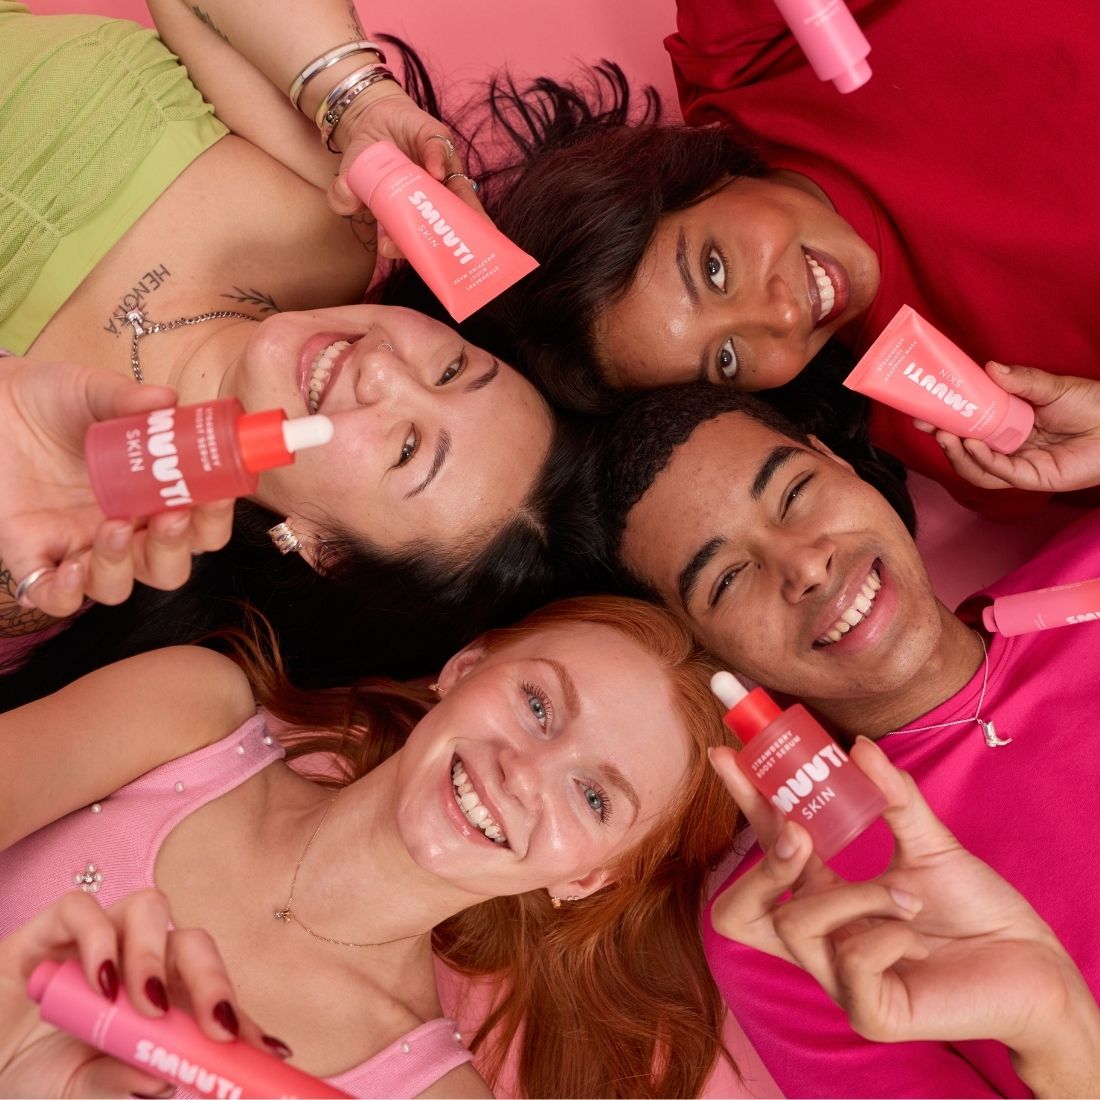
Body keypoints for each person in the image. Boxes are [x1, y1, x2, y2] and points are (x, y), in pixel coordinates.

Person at [0, 4, 597, 704]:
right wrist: (358, 100)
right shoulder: (331, 222)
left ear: (323, 550)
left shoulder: (51, 536)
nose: (383, 369)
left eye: (407, 449)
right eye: (451, 369)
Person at [0, 595, 750, 1098]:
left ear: (588, 879)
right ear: (464, 669)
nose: (524, 774)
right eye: (537, 703)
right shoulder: (188, 713)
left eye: (593, 798)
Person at [595, 381, 1100, 1095]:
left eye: (796, 492)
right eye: (728, 579)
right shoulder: (792, 920)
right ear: (711, 654)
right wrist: (1056, 1031)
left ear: (838, 461)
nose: (805, 567)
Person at [467, 1, 1100, 518]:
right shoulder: (958, 411)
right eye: (727, 359)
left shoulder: (751, 56)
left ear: (687, 182)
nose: (783, 316)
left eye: (714, 270)